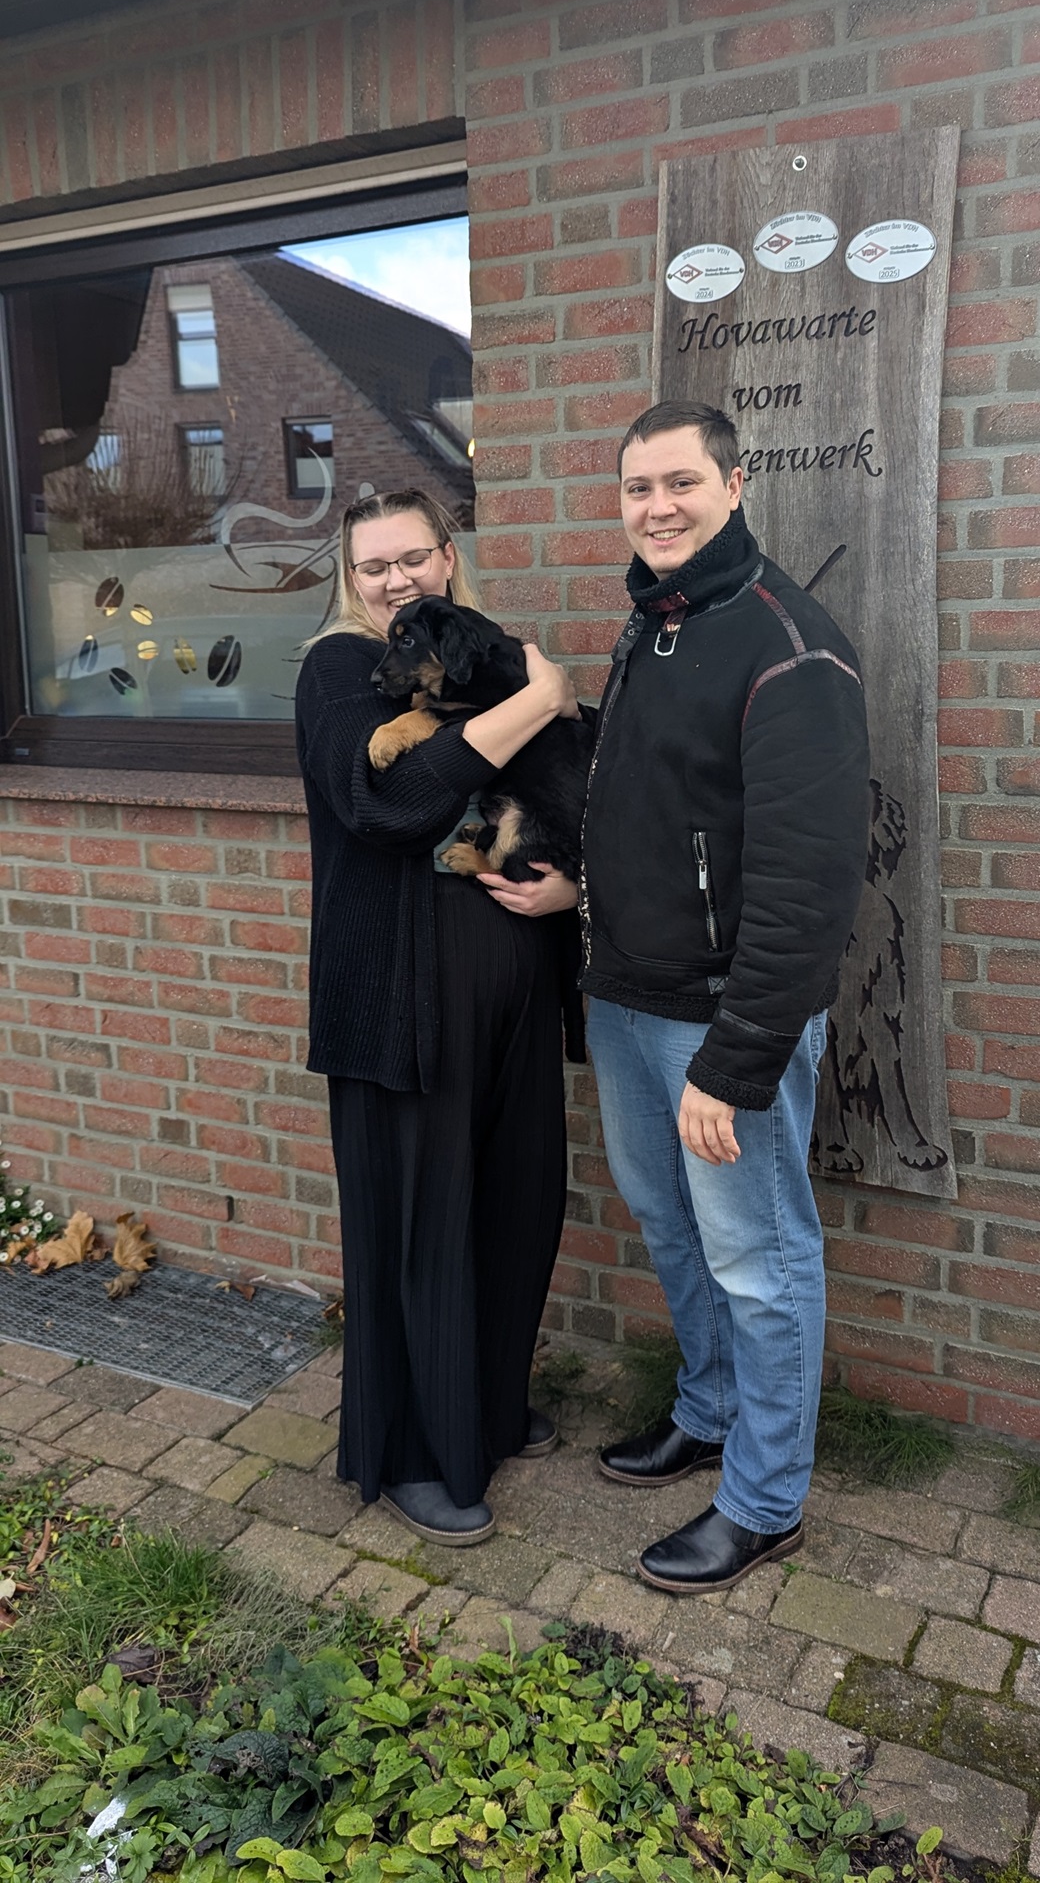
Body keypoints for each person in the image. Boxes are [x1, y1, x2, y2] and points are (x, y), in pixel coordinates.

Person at [580, 402, 870, 1595]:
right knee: (671, 1223)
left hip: (720, 1019)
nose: (658, 506)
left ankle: (764, 1499)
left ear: (735, 484)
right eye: (638, 486)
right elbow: (654, 808)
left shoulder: (787, 644)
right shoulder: (656, 620)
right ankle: (707, 1409)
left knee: (760, 1256)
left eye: (681, 482)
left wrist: (738, 1055)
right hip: (626, 998)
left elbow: (808, 884)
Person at [295, 489, 579, 1547]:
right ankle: (414, 1448)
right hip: (399, 1003)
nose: (394, 579)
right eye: (372, 565)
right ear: (349, 576)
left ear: (448, 557)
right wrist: (539, 699)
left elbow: (558, 790)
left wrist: (570, 889)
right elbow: (390, 803)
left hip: (510, 990)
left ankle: (487, 1405)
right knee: (421, 1221)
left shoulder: (480, 653)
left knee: (515, 1200)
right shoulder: (340, 669)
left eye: (411, 557)